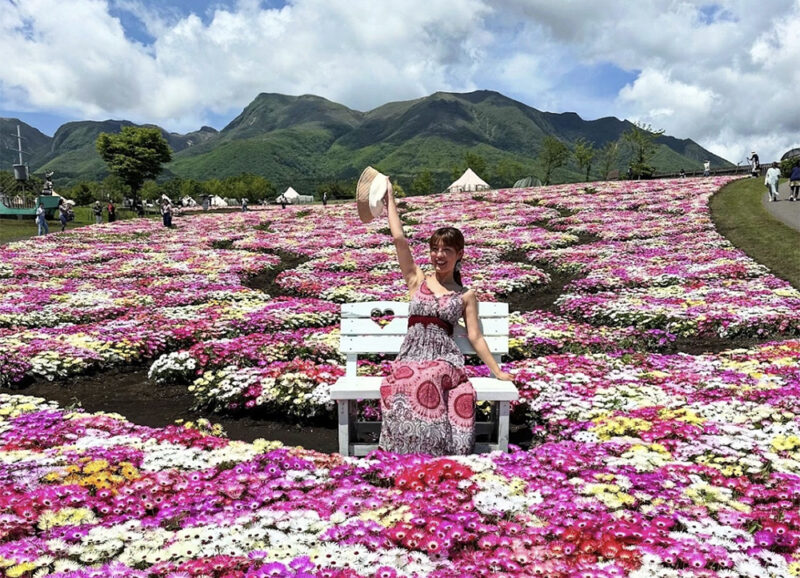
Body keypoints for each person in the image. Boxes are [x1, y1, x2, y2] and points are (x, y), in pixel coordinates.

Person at [380, 177, 513, 455]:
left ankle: (434, 452)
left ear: (459, 254)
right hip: (411, 356)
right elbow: (399, 240)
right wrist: (390, 200)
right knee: (405, 380)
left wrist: (497, 370)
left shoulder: (465, 295)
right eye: (435, 249)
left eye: (446, 250)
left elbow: (474, 336)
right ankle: (404, 451)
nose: (439, 255)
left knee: (428, 378)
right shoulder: (417, 279)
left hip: (444, 359)